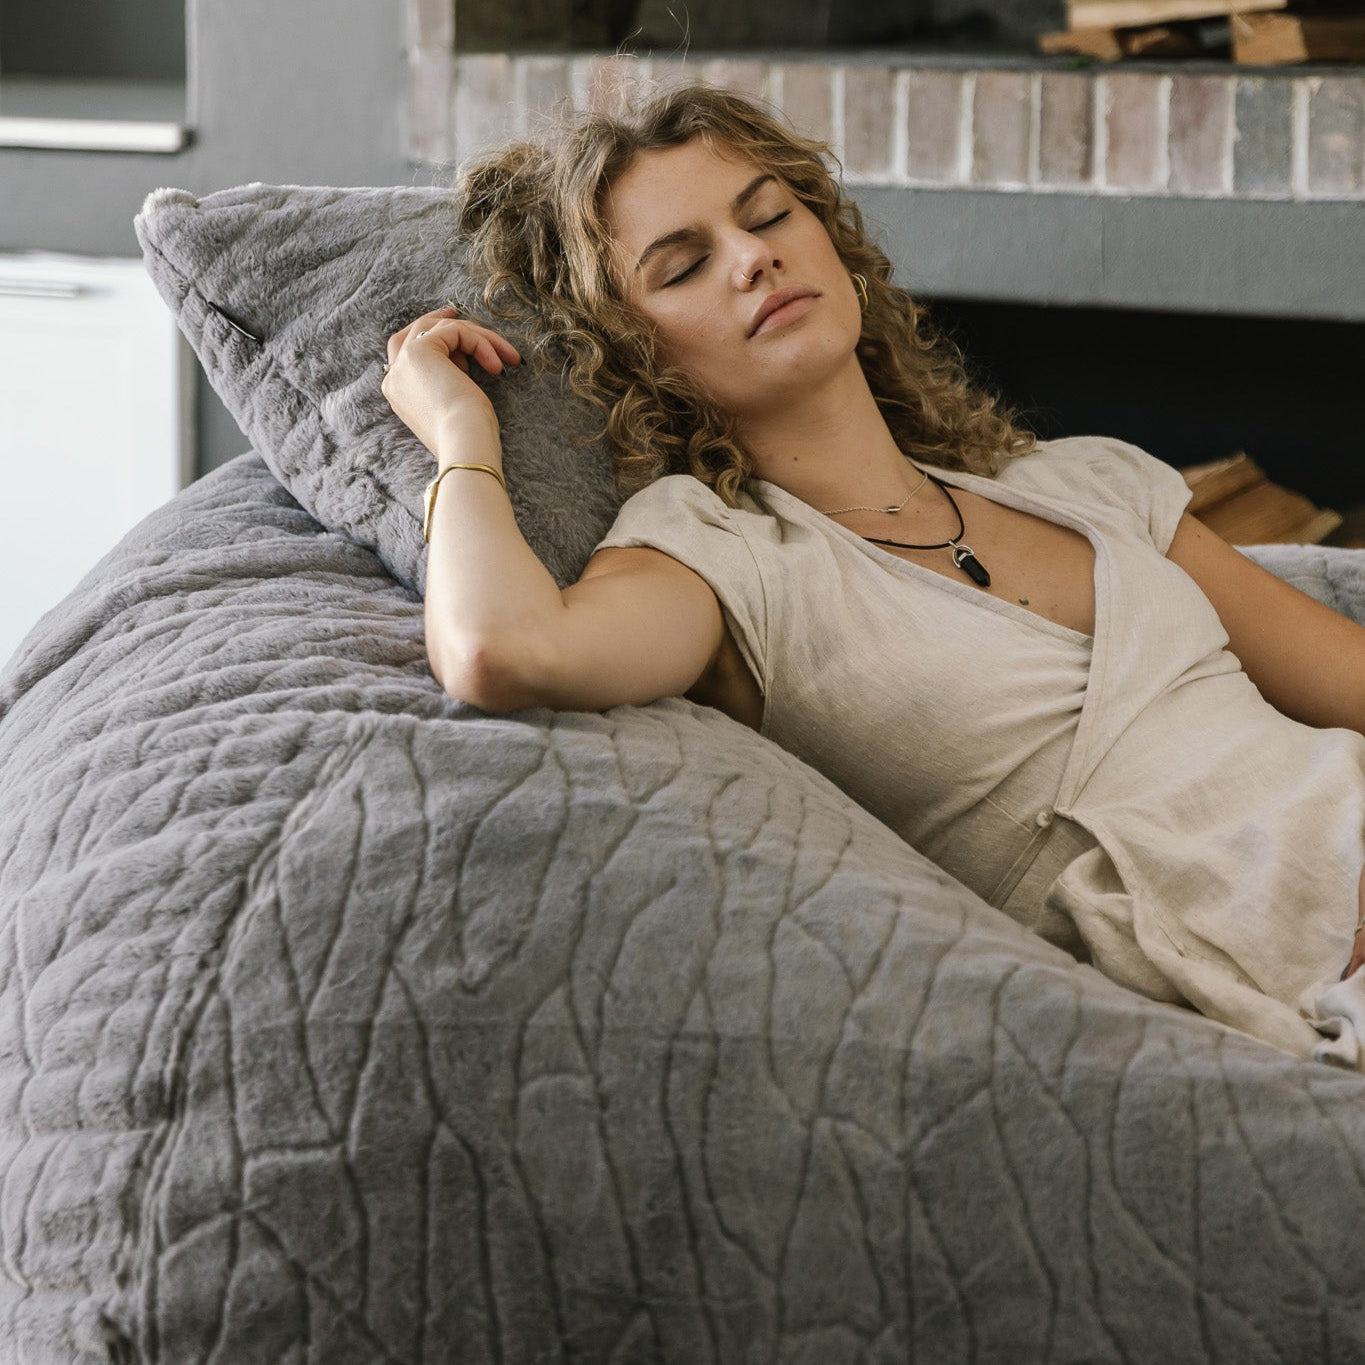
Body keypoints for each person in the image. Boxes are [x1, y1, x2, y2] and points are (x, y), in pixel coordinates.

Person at [380, 82, 1365, 1069]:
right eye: (684, 267)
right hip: (1300, 977)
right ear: (634, 353)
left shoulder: (1079, 481)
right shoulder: (726, 557)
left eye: (769, 215)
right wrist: (461, 436)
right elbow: (499, 649)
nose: (752, 256)